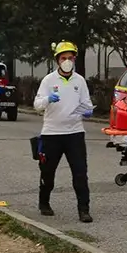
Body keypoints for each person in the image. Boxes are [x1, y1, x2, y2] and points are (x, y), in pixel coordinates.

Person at [32, 41, 94, 223]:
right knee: (48, 171)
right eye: (63, 58)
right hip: (52, 133)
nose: (67, 61)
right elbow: (37, 105)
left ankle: (84, 209)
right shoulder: (49, 80)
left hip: (75, 133)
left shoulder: (80, 81)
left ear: (74, 59)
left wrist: (88, 111)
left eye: (70, 58)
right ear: (57, 60)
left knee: (80, 172)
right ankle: (44, 203)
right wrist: (48, 100)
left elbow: (87, 104)